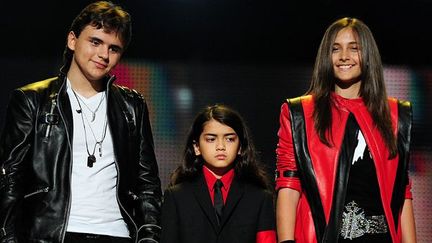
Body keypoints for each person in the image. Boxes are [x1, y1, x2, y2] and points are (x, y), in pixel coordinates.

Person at [0, 1, 162, 242]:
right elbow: (10, 177)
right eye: (95, 42)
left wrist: (149, 237)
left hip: (116, 233)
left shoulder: (132, 105)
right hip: (51, 233)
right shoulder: (32, 99)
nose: (103, 55)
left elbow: (147, 182)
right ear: (72, 40)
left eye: (114, 48)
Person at [275, 17, 416, 243]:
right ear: (325, 57)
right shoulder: (300, 113)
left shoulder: (396, 115)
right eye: (335, 49)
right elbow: (288, 185)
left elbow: (403, 191)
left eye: (354, 49)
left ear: (368, 55)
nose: (344, 57)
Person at [160, 104, 276, 243]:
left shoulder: (260, 198)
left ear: (240, 147)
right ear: (196, 147)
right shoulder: (176, 197)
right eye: (211, 139)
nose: (220, 146)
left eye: (229, 139)